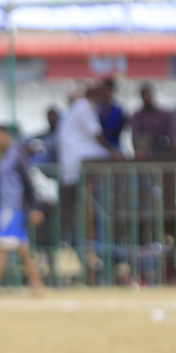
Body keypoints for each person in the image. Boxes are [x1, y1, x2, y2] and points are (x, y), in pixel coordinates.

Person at [0, 125, 46, 295]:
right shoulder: (2, 156)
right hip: (7, 208)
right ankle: (38, 287)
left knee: (0, 248)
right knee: (22, 250)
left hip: (11, 209)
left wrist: (35, 208)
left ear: (6, 136)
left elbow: (28, 182)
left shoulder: (16, 155)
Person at [57, 83, 114, 243]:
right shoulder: (84, 106)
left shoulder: (75, 109)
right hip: (79, 164)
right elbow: (96, 134)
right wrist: (114, 152)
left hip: (72, 166)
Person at [129, 83, 176, 158]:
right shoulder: (137, 116)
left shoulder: (163, 115)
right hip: (145, 148)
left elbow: (171, 132)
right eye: (144, 95)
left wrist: (173, 141)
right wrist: (141, 145)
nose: (147, 97)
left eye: (148, 94)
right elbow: (135, 135)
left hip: (161, 146)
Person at [96, 77, 125, 154]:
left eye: (109, 90)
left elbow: (117, 126)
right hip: (98, 144)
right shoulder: (98, 107)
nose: (106, 93)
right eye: (104, 90)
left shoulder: (118, 108)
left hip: (114, 143)